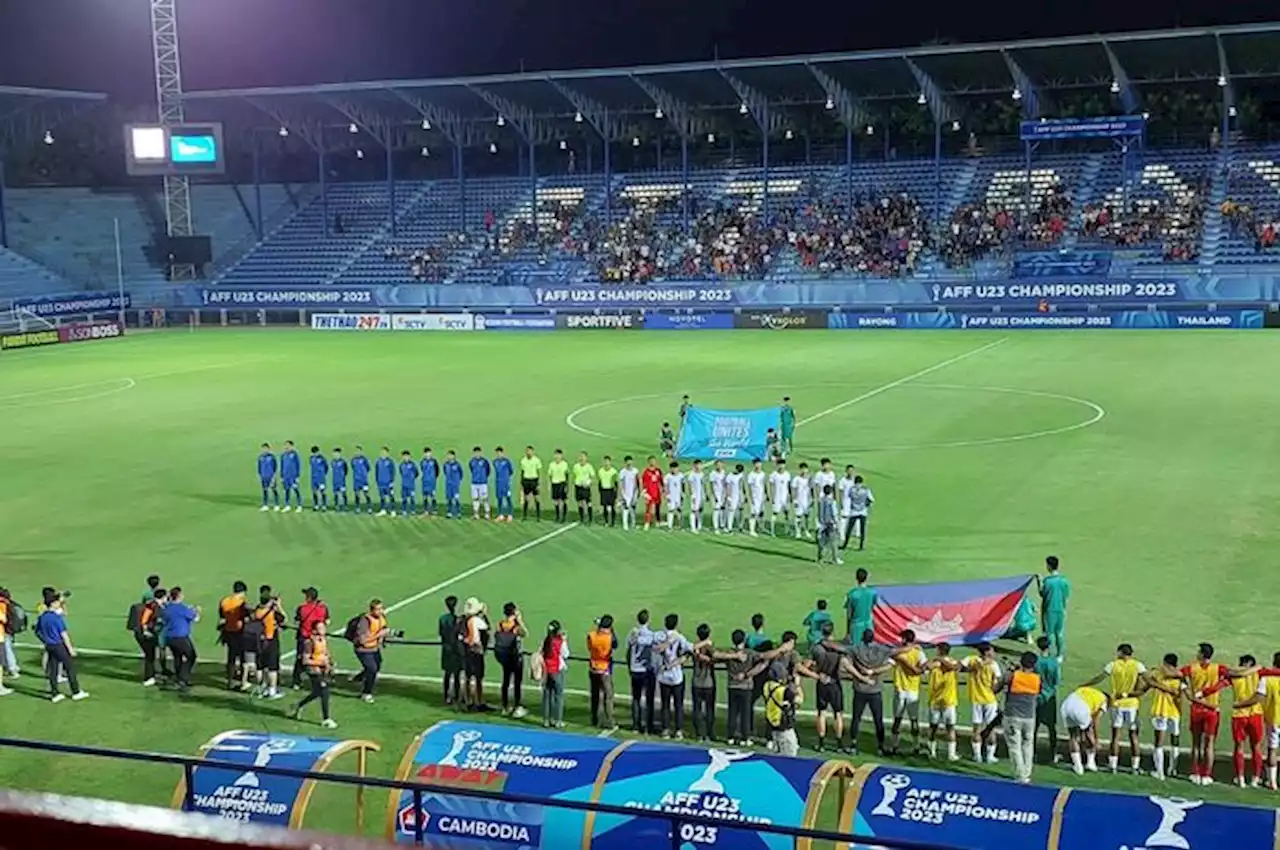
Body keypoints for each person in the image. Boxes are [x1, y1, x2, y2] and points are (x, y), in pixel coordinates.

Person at [1083, 643, 1146, 774]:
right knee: (1133, 736)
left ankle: (1113, 766)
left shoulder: (1113, 665)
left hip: (1117, 704)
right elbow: (1142, 684)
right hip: (1132, 705)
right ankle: (1135, 767)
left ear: (1120, 652)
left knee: (1116, 736)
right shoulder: (1138, 666)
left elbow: (1099, 678)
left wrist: (1085, 685)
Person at [1182, 642, 1230, 785]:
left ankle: (1195, 772)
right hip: (1212, 711)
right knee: (1209, 744)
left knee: (1196, 743)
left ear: (1202, 654)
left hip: (1196, 709)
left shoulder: (1191, 668)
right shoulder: (1219, 668)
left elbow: (1177, 674)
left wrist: (1186, 687)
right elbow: (1231, 677)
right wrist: (1218, 686)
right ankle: (1207, 775)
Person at [35, 592, 87, 703]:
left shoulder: (43, 617)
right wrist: (70, 649)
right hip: (59, 645)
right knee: (70, 668)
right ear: (53, 603)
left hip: (49, 646)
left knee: (53, 670)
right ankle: (76, 692)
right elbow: (64, 634)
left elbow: (37, 631)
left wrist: (45, 640)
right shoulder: (56, 618)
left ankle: (55, 694)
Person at [1142, 653, 1185, 780]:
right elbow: (1180, 697)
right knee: (1175, 741)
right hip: (1174, 712)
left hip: (1161, 710)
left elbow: (1147, 681)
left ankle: (1159, 772)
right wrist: (1180, 711)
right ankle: (1173, 769)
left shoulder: (1159, 672)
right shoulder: (1179, 677)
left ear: (1165, 662)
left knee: (1158, 742)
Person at [849, 628, 893, 756]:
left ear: (863, 638)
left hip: (860, 689)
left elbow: (842, 649)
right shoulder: (881, 650)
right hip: (875, 689)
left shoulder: (856, 649)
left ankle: (853, 744)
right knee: (878, 719)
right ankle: (880, 746)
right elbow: (892, 658)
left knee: (856, 718)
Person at [1001, 652, 1042, 784]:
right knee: (1028, 746)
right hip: (1029, 717)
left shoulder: (1012, 676)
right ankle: (1027, 773)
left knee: (1014, 747)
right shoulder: (1037, 679)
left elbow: (996, 687)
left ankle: (1020, 775)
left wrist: (1010, 672)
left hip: (1012, 715)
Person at [1225, 655, 1266, 788]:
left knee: (1239, 747)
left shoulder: (1234, 676)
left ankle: (1240, 778)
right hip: (1255, 714)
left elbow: (1221, 682)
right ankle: (1255, 778)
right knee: (1256, 747)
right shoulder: (1259, 674)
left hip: (1239, 715)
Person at [654, 614, 694, 739]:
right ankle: (678, 730)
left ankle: (665, 730)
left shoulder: (660, 635)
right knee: (678, 705)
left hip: (664, 676)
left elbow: (654, 647)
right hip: (677, 676)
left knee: (665, 704)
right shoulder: (679, 637)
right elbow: (691, 648)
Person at [961, 643, 1002, 763]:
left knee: (976, 728)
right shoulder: (994, 665)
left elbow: (960, 667)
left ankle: (977, 755)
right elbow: (997, 683)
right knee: (990, 728)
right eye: (992, 650)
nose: (993, 652)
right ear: (987, 652)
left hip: (976, 699)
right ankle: (990, 756)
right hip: (989, 700)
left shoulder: (972, 660)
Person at [291, 621, 337, 728]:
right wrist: (321, 663)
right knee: (324, 691)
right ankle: (326, 719)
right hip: (313, 670)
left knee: (317, 692)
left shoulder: (323, 640)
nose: (323, 630)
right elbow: (305, 660)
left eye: (324, 627)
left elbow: (325, 653)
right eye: (320, 628)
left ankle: (298, 705)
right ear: (314, 630)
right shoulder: (309, 643)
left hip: (322, 670)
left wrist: (330, 663)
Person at [890, 630, 927, 755]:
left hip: (900, 688)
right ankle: (916, 745)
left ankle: (894, 745)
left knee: (897, 719)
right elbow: (924, 669)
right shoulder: (918, 653)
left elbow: (890, 659)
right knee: (914, 720)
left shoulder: (899, 653)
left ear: (905, 639)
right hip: (913, 690)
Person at [247, 586, 286, 700]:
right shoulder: (271, 613)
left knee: (260, 666)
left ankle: (261, 688)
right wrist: (278, 606)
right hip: (270, 640)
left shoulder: (257, 611)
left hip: (258, 640)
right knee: (272, 667)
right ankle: (272, 690)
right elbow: (284, 619)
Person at [1061, 684, 1108, 775]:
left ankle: (1078, 766)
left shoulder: (1089, 692)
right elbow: (1095, 721)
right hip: (1081, 707)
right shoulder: (1104, 700)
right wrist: (1097, 740)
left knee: (1073, 736)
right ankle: (1090, 763)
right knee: (1088, 732)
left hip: (1066, 706)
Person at [925, 643, 961, 761]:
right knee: (948, 728)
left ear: (939, 650)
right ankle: (945, 754)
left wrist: (938, 660)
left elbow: (952, 667)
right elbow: (928, 667)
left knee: (935, 727)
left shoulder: (949, 663)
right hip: (945, 700)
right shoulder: (952, 662)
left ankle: (934, 752)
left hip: (940, 700)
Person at [291, 588, 330, 691]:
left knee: (300, 659)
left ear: (308, 597)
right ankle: (322, 679)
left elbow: (296, 621)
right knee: (321, 657)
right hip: (319, 638)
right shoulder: (323, 608)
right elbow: (327, 621)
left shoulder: (302, 608)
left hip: (305, 636)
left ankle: (296, 681)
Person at [162, 587, 200, 692]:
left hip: (169, 637)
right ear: (179, 596)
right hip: (181, 637)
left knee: (177, 657)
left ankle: (179, 678)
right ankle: (182, 679)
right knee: (191, 656)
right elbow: (195, 618)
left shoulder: (167, 608)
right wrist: (196, 611)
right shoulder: (183, 608)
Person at [493, 602, 527, 718]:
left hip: (504, 656)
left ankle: (505, 706)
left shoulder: (500, 624)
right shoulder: (515, 627)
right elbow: (525, 634)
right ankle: (517, 706)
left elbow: (496, 636)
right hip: (516, 657)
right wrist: (520, 620)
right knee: (517, 682)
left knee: (505, 681)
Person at [626, 609, 657, 734]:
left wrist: (630, 665)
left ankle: (636, 725)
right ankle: (649, 725)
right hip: (646, 670)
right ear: (648, 620)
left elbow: (628, 652)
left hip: (634, 669)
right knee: (649, 698)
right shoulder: (650, 635)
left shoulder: (632, 634)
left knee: (636, 698)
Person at [1034, 637, 1063, 765]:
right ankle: (1053, 754)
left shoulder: (1036, 662)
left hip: (1037, 696)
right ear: (1049, 646)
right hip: (1050, 696)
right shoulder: (1054, 662)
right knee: (1052, 727)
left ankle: (1032, 753)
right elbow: (1057, 681)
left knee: (1034, 726)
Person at [354, 599, 389, 703]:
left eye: (381, 608)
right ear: (372, 610)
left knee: (377, 666)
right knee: (372, 669)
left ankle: (359, 678)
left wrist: (383, 638)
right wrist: (379, 635)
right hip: (363, 650)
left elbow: (382, 629)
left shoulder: (382, 618)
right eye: (378, 609)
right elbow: (362, 640)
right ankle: (366, 693)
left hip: (374, 648)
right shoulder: (365, 621)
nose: (381, 611)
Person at [587, 615, 618, 731]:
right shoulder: (610, 638)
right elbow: (615, 646)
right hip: (604, 669)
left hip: (593, 667)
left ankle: (594, 719)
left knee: (595, 695)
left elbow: (590, 648)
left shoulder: (592, 635)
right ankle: (609, 721)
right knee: (608, 696)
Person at [216, 581, 248, 691]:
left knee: (231, 658)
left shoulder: (224, 601)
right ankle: (243, 682)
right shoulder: (241, 603)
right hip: (240, 632)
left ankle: (230, 682)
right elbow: (245, 617)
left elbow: (221, 617)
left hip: (228, 631)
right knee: (243, 659)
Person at [460, 597, 490, 711]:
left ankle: (468, 701)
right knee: (478, 678)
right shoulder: (477, 621)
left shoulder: (463, 621)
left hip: (467, 652)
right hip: (476, 652)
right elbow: (486, 632)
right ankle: (479, 701)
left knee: (468, 677)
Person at [763, 665, 801, 756]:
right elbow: (799, 700)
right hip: (784, 726)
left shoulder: (767, 686)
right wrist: (797, 685)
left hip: (773, 724)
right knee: (790, 754)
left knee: (777, 754)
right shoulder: (783, 691)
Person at [690, 624, 717, 741]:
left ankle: (699, 733)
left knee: (697, 708)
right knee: (709, 709)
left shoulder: (695, 647)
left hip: (696, 682)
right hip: (708, 683)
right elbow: (715, 658)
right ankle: (710, 733)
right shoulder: (710, 648)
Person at [1039, 555, 1071, 657]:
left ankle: (1048, 653)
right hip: (1061, 609)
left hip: (1049, 610)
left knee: (1049, 633)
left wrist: (1039, 582)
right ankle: (1060, 654)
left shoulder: (1048, 581)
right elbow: (1066, 595)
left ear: (1049, 566)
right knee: (1059, 633)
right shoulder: (1064, 581)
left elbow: (1042, 594)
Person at [540, 620, 569, 728]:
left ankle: (546, 720)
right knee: (558, 696)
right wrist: (564, 641)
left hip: (546, 670)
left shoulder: (546, 640)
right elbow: (566, 654)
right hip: (556, 670)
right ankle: (558, 720)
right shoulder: (559, 641)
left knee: (547, 696)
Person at [134, 588, 166, 687]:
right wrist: (146, 631)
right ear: (163, 597)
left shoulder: (154, 605)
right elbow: (144, 620)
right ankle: (149, 677)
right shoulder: (152, 606)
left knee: (155, 654)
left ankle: (157, 674)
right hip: (149, 635)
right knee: (150, 655)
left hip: (154, 634)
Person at [1260, 651, 1280, 789]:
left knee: (1272, 750)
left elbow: (1259, 697)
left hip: (1273, 718)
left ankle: (1272, 781)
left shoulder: (1266, 679)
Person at [438, 596, 462, 705]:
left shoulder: (442, 619)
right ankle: (456, 695)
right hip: (455, 649)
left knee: (447, 673)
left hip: (446, 648)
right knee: (456, 674)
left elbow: (441, 633)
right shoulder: (457, 620)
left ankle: (446, 695)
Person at [841, 476, 874, 550]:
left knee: (862, 529)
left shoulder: (862, 490)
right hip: (855, 512)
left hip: (861, 512)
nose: (858, 485)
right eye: (857, 483)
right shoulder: (858, 489)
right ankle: (845, 544)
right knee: (849, 529)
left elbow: (871, 500)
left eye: (859, 484)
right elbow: (871, 500)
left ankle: (861, 545)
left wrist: (866, 505)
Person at [845, 569, 876, 640]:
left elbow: (849, 615)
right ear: (867, 578)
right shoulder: (872, 592)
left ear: (856, 578)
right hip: (868, 625)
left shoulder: (852, 594)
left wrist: (847, 632)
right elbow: (872, 608)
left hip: (856, 627)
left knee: (856, 649)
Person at [816, 484, 840, 564]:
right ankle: (835, 559)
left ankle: (820, 558)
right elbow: (834, 513)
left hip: (822, 523)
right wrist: (837, 523)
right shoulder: (831, 502)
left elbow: (819, 512)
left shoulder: (820, 500)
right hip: (830, 523)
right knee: (833, 542)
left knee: (822, 542)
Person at [519, 445, 542, 521]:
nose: (528, 452)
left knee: (537, 498)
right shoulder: (523, 460)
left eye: (529, 451)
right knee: (526, 499)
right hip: (526, 480)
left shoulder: (536, 460)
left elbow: (539, 472)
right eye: (527, 451)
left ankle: (538, 516)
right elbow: (522, 472)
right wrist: (522, 482)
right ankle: (524, 515)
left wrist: (538, 483)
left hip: (534, 480)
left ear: (532, 452)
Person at [768, 460, 791, 537]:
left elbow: (788, 486)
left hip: (785, 497)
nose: (781, 466)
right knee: (775, 513)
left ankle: (787, 530)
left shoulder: (787, 474)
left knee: (787, 513)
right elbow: (771, 486)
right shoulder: (773, 475)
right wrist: (772, 497)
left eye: (783, 465)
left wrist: (789, 496)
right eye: (780, 465)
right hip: (777, 497)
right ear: (777, 465)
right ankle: (772, 531)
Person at [547, 449, 570, 523]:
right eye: (556, 455)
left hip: (562, 483)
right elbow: (550, 475)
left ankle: (564, 516)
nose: (557, 457)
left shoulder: (565, 464)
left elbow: (567, 475)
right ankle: (557, 516)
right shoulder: (551, 464)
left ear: (561, 456)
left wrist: (566, 485)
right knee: (556, 501)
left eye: (559, 455)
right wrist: (549, 485)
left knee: (564, 500)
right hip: (555, 484)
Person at [573, 452, 596, 525]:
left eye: (583, 457)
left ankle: (590, 518)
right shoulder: (576, 466)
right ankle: (582, 518)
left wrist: (588, 483)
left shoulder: (589, 467)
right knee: (580, 503)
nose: (582, 458)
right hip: (578, 487)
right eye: (581, 457)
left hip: (585, 487)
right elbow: (574, 476)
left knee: (588, 502)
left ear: (586, 458)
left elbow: (593, 477)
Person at [469, 447, 492, 520]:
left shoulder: (485, 461)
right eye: (475, 452)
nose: (477, 454)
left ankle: (487, 513)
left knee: (485, 498)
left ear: (481, 453)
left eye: (478, 452)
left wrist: (484, 477)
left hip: (483, 483)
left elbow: (488, 471)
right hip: (474, 483)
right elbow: (471, 470)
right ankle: (476, 514)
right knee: (475, 498)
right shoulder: (471, 461)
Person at [493, 447, 515, 522]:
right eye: (497, 453)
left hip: (506, 483)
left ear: (502, 453)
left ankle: (510, 515)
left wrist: (506, 479)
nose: (498, 454)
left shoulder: (506, 461)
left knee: (508, 498)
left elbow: (511, 471)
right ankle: (500, 515)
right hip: (498, 483)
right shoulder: (495, 462)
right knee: (499, 499)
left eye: (500, 453)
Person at [640, 456, 663, 530]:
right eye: (651, 461)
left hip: (657, 492)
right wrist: (644, 492)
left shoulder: (658, 471)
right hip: (649, 492)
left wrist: (663, 489)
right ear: (648, 462)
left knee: (658, 507)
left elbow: (661, 481)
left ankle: (658, 521)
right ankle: (647, 523)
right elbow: (643, 482)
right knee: (648, 508)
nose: (653, 462)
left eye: (654, 461)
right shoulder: (646, 472)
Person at [790, 462, 812, 538]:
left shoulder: (810, 479)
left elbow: (811, 489)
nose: (804, 471)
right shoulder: (796, 479)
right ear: (800, 470)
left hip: (807, 501)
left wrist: (812, 499)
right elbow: (793, 489)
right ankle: (798, 531)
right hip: (799, 500)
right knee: (798, 516)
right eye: (802, 469)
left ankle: (806, 530)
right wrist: (794, 500)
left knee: (807, 516)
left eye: (805, 469)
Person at [746, 459, 766, 537]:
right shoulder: (751, 475)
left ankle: (760, 527)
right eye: (756, 464)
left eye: (759, 463)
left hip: (761, 496)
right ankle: (752, 530)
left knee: (761, 513)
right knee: (753, 513)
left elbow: (764, 484)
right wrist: (750, 497)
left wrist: (765, 494)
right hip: (755, 497)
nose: (758, 465)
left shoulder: (763, 474)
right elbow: (749, 487)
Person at [618, 455, 639, 531]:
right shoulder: (622, 472)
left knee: (633, 508)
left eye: (630, 461)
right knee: (625, 509)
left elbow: (637, 482)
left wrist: (636, 493)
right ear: (625, 462)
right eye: (627, 462)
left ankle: (633, 524)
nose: (629, 463)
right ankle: (625, 525)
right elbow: (620, 483)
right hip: (625, 493)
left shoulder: (635, 471)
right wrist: (622, 494)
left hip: (633, 493)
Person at [280, 440, 302, 512]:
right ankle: (287, 505)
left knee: (296, 490)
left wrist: (297, 476)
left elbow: (298, 465)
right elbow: (282, 466)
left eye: (288, 445)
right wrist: (282, 476)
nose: (287, 446)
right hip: (286, 476)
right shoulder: (283, 455)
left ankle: (299, 505)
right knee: (287, 490)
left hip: (293, 476)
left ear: (292, 446)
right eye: (285, 445)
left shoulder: (294, 454)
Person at [597, 455, 618, 527]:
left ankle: (612, 522)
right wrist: (600, 491)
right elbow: (599, 482)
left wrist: (616, 494)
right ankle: (606, 521)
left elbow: (616, 483)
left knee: (612, 507)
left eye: (608, 461)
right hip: (604, 490)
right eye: (605, 461)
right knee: (604, 507)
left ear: (610, 462)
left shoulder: (614, 471)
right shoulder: (600, 471)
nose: (606, 463)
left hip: (611, 490)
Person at [351, 445, 373, 514]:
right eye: (356, 451)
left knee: (366, 494)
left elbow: (368, 468)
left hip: (363, 480)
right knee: (357, 494)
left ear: (361, 451)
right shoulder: (353, 460)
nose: (357, 452)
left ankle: (369, 508)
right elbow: (353, 467)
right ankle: (357, 508)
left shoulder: (364, 459)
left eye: (358, 451)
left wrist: (364, 475)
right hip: (356, 480)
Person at [443, 450, 465, 519]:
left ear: (454, 456)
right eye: (448, 455)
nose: (449, 456)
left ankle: (458, 512)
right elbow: (445, 472)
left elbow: (461, 473)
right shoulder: (446, 464)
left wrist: (457, 481)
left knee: (456, 499)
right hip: (448, 484)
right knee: (449, 499)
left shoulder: (457, 464)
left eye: (451, 455)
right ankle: (449, 512)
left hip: (455, 485)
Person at [258, 442, 279, 511]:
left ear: (268, 449)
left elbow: (275, 467)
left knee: (274, 490)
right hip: (264, 477)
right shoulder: (260, 457)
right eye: (263, 449)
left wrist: (274, 476)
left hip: (271, 476)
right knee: (265, 491)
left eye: (266, 448)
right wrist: (260, 475)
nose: (264, 450)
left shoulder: (272, 457)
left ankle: (276, 504)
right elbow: (259, 467)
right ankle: (265, 505)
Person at [375, 447, 396, 516]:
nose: (383, 454)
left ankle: (393, 510)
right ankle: (383, 510)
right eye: (382, 452)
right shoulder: (378, 461)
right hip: (381, 482)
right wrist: (377, 480)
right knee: (382, 497)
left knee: (391, 496)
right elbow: (376, 471)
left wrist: (391, 481)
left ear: (387, 453)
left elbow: (393, 472)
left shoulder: (390, 461)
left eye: (384, 452)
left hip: (388, 482)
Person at [686, 459, 705, 533]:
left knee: (700, 510)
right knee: (693, 510)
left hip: (701, 494)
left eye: (700, 465)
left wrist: (704, 494)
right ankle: (693, 527)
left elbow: (703, 484)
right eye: (698, 465)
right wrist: (692, 495)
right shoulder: (692, 474)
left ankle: (699, 526)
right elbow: (690, 485)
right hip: (695, 495)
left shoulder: (702, 474)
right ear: (695, 465)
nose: (700, 466)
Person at [709, 460, 728, 534]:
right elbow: (711, 485)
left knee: (723, 510)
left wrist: (726, 493)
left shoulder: (724, 473)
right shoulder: (713, 474)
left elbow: (725, 484)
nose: (719, 466)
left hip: (722, 494)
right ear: (715, 465)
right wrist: (713, 495)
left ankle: (722, 525)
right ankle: (716, 527)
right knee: (716, 510)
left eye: (721, 464)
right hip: (716, 494)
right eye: (718, 465)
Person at [665, 461, 684, 531]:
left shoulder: (681, 475)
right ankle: (670, 526)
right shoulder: (668, 476)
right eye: (672, 468)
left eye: (675, 468)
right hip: (671, 496)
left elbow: (682, 484)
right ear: (670, 469)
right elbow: (666, 486)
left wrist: (683, 493)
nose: (674, 470)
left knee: (679, 510)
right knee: (671, 510)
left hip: (678, 496)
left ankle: (680, 526)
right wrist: (667, 495)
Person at [398, 450, 419, 516]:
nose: (406, 458)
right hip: (404, 485)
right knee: (404, 499)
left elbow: (416, 473)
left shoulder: (412, 464)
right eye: (404, 456)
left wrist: (412, 478)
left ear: (409, 457)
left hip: (411, 485)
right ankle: (404, 510)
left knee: (412, 498)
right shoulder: (401, 465)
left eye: (407, 456)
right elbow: (401, 472)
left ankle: (413, 510)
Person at [420, 447, 440, 516]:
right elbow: (422, 470)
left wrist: (433, 478)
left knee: (433, 496)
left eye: (428, 453)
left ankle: (434, 510)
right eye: (426, 453)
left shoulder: (434, 461)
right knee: (425, 496)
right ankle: (426, 511)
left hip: (432, 482)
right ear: (424, 454)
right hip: (425, 482)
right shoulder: (422, 462)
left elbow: (437, 471)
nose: (427, 454)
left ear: (431, 453)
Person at [724, 463, 744, 533]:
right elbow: (728, 486)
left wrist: (743, 496)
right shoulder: (730, 476)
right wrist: (728, 496)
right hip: (733, 496)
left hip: (739, 495)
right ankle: (729, 527)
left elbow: (741, 486)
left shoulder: (741, 475)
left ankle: (740, 526)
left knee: (740, 511)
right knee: (731, 511)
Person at [309, 446, 329, 511]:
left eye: (316, 452)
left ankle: (324, 505)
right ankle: (316, 505)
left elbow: (326, 467)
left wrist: (323, 474)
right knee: (314, 492)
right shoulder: (311, 458)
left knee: (322, 491)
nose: (315, 454)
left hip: (321, 478)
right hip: (314, 478)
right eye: (313, 453)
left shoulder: (322, 458)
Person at [331, 447, 349, 512]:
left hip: (341, 481)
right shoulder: (332, 462)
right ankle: (336, 505)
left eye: (337, 454)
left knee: (343, 493)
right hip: (335, 481)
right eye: (334, 454)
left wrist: (342, 476)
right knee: (335, 493)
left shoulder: (343, 462)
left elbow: (346, 470)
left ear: (339, 454)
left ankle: (345, 505)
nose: (335, 455)